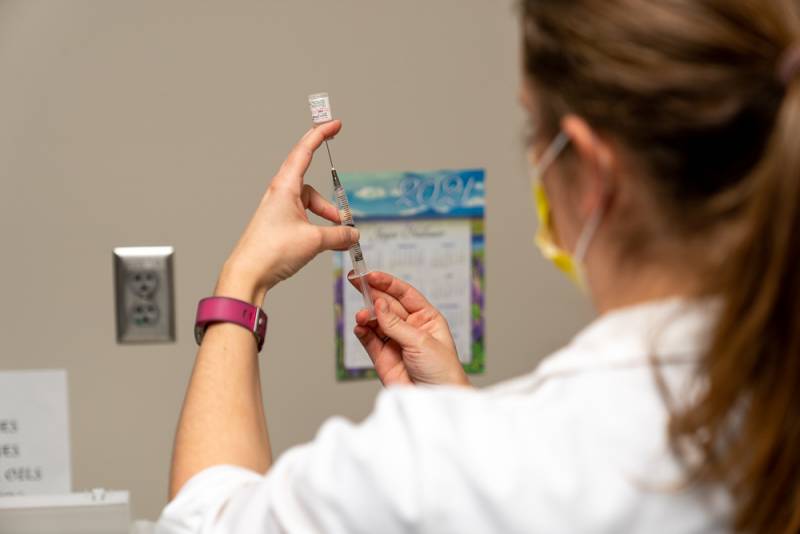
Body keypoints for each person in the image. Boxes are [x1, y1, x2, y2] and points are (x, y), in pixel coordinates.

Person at [156, 0, 800, 532]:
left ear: (592, 171)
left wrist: (242, 282)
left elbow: (205, 518)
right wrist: (463, 414)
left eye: (532, 132)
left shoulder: (436, 471)